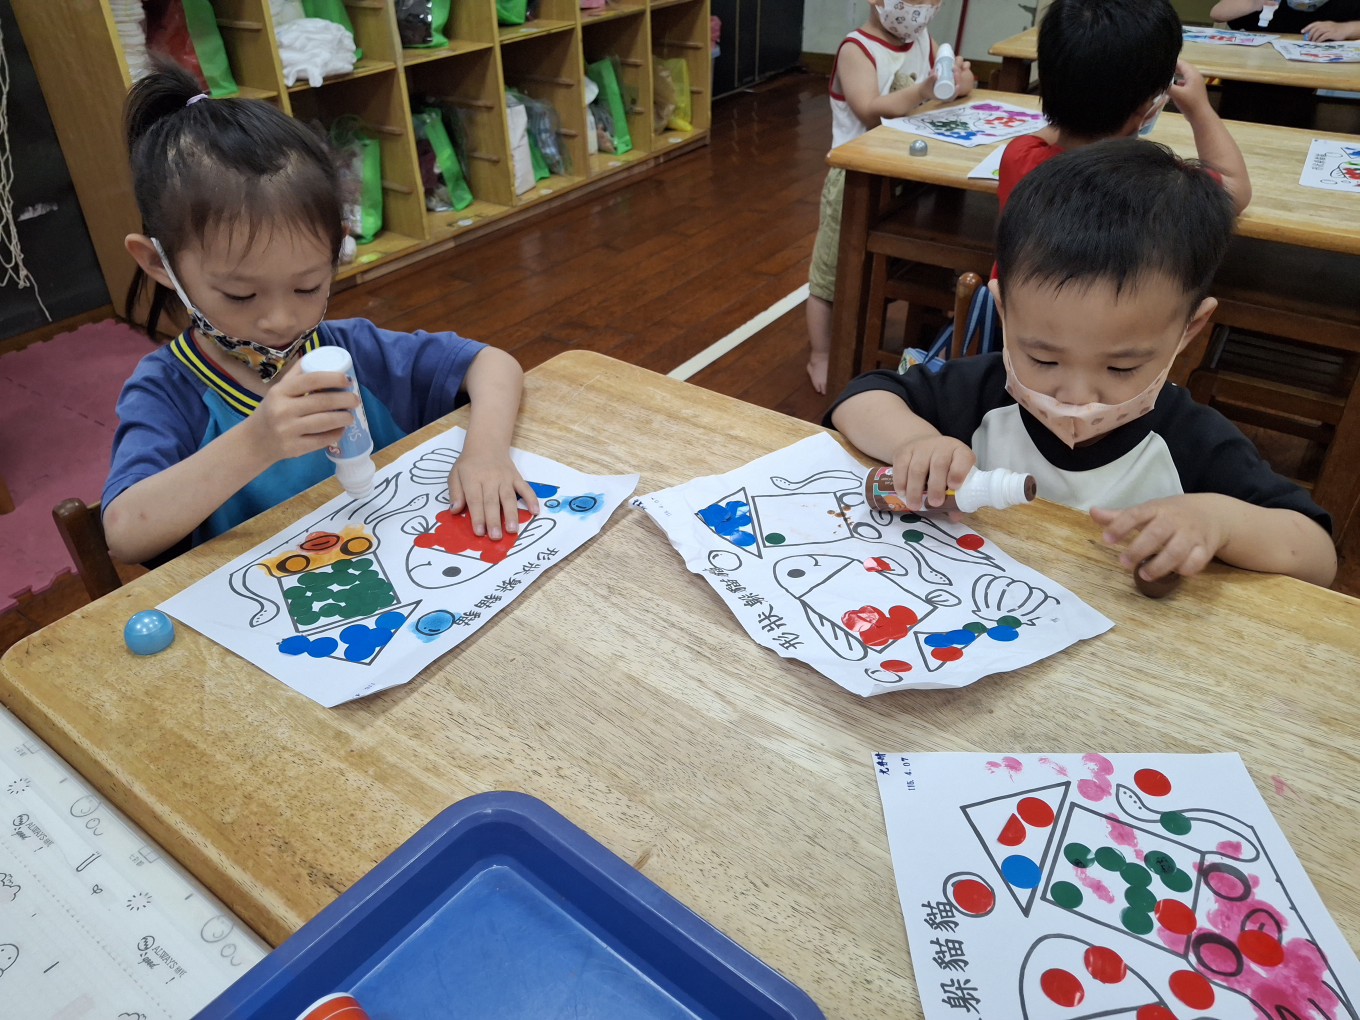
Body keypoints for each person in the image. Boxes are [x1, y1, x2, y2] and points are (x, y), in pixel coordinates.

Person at [827, 140, 1337, 588]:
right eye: (1043, 358)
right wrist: (915, 443)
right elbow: (861, 398)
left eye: (1120, 368)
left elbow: (1317, 556)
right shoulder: (982, 393)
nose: (1075, 396)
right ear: (1005, 311)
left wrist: (1220, 522)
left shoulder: (1191, 441)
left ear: (1189, 329)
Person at [104, 64, 538, 566]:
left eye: (307, 286)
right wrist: (258, 442)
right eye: (241, 295)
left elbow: (493, 364)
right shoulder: (168, 391)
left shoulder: (352, 351)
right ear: (160, 263)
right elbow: (125, 534)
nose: (280, 319)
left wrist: (485, 454)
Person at [805, 0, 976, 394]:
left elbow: (949, 88)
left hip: (902, 174)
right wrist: (923, 90)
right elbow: (870, 109)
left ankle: (905, 325)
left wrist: (958, 80)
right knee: (830, 273)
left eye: (928, 4)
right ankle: (821, 352)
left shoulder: (922, 40)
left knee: (886, 262)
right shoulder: (857, 49)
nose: (918, 13)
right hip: (856, 178)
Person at [998, 0, 1250, 217]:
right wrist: (1199, 109)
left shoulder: (1019, 157)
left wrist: (1069, 96)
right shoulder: (1168, 188)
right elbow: (1236, 190)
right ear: (1149, 109)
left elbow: (1055, 128)